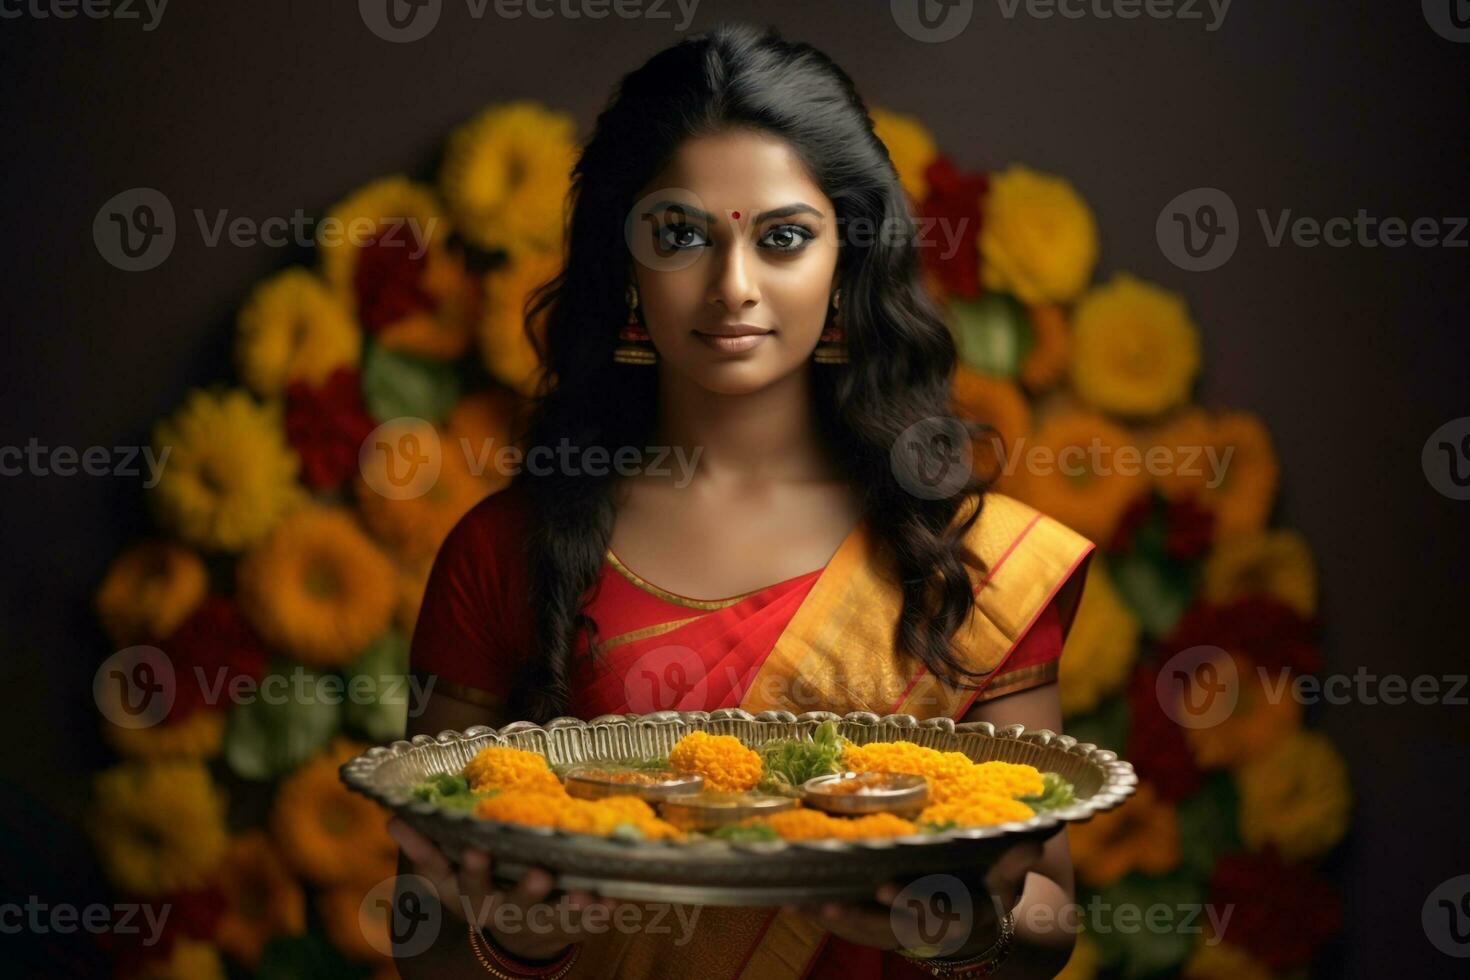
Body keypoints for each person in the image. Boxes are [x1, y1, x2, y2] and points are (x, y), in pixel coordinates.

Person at [389, 22, 1093, 980]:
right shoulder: (506, 550)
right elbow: (419, 923)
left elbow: (1047, 906)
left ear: (846, 261)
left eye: (784, 239)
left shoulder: (965, 555)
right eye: (678, 236)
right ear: (625, 265)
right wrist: (517, 938)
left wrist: (956, 928)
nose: (732, 287)